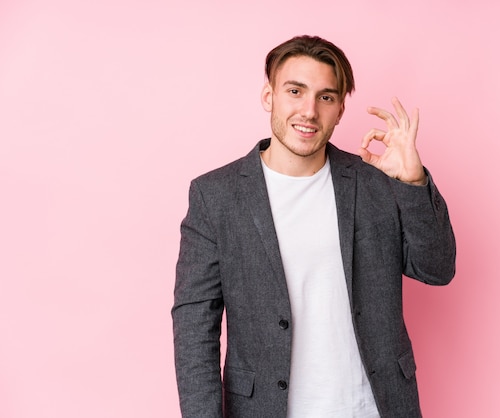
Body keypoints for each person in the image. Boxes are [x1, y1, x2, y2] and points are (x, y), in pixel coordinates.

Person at [172, 35, 456, 418]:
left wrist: (412, 183)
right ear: (269, 97)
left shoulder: (373, 181)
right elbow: (194, 326)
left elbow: (437, 268)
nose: (309, 111)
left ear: (340, 109)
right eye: (295, 91)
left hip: (373, 407)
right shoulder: (216, 196)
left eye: (326, 97)